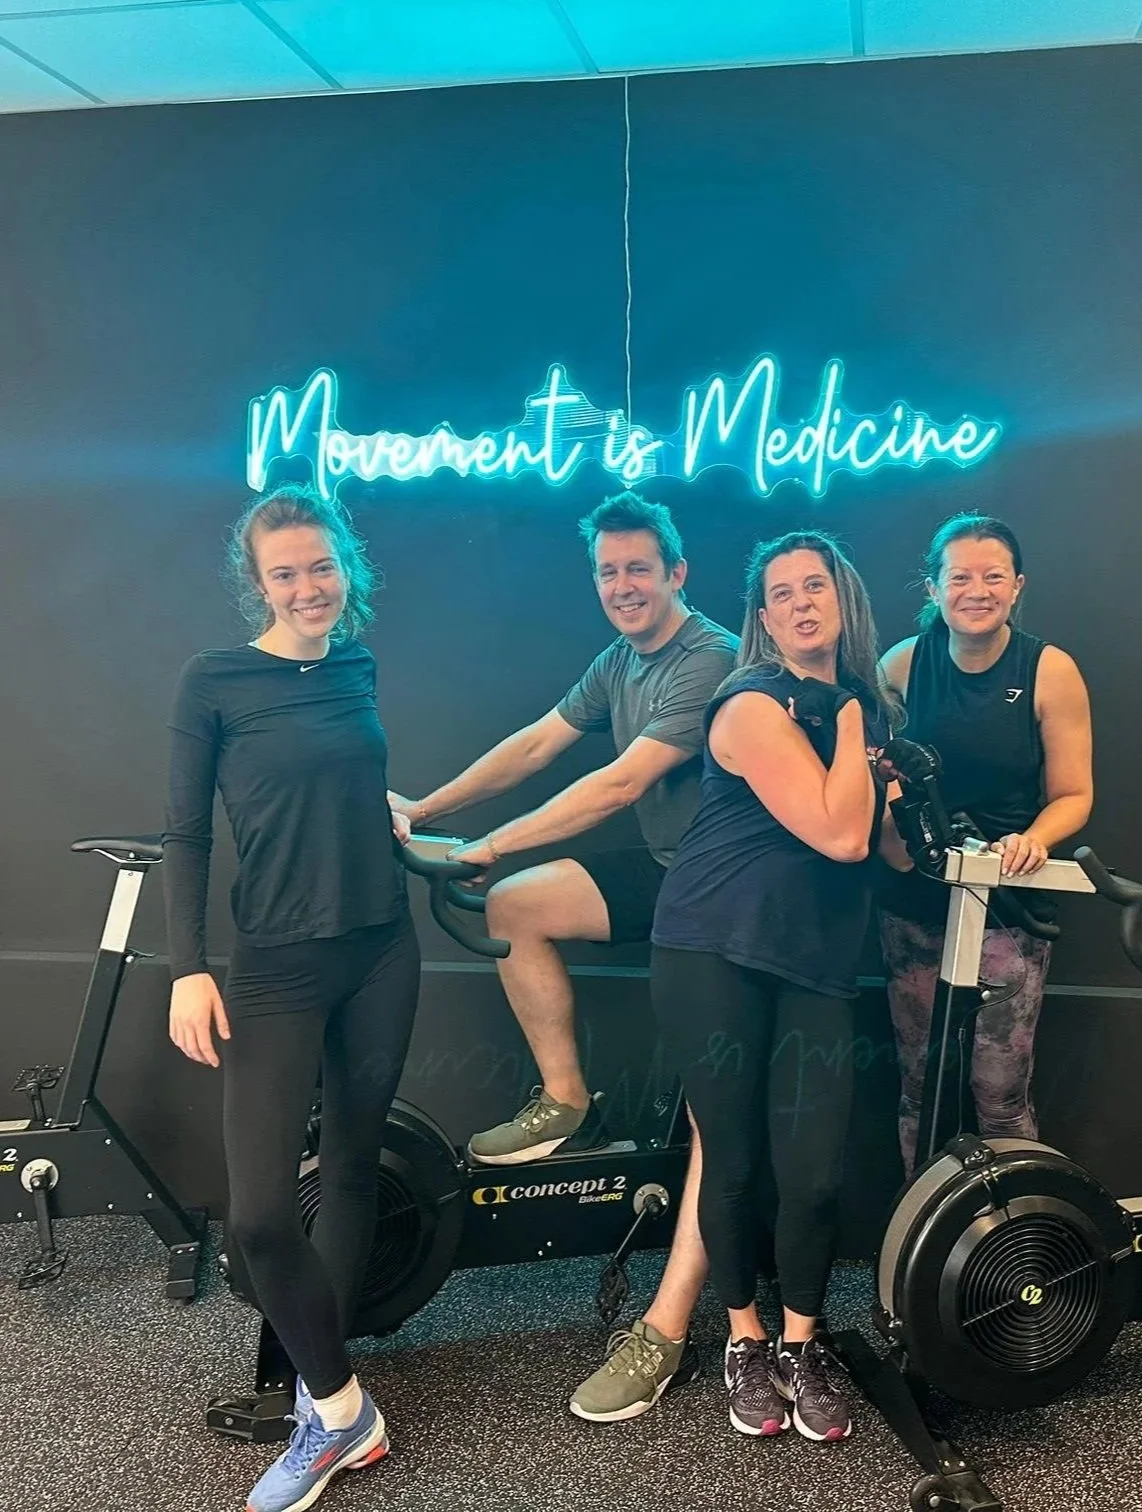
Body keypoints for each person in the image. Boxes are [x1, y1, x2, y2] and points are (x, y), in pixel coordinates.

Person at [387, 489, 737, 1422]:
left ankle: (666, 1329)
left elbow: (620, 782)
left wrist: (485, 844)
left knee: (715, 1120)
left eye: (639, 569)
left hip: (730, 893)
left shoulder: (710, 657)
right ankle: (567, 1100)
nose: (623, 585)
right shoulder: (619, 659)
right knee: (517, 905)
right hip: (667, 868)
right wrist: (426, 810)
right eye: (608, 571)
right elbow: (540, 744)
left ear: (677, 574)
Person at [163, 486, 418, 1512]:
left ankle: (331, 1395)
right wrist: (187, 968)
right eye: (285, 573)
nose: (308, 586)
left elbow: (333, 777)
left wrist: (381, 806)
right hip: (275, 966)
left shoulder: (355, 663)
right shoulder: (214, 680)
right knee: (262, 1215)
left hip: (380, 951)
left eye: (322, 567)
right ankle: (345, 1406)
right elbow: (187, 833)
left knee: (353, 1168)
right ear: (256, 583)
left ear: (345, 567)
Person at [650, 530, 904, 1441]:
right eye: (783, 593)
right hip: (712, 950)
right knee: (737, 1159)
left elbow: (881, 846)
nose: (802, 603)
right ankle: (744, 1338)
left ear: (843, 600)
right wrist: (852, 728)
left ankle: (803, 1340)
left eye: (817, 587)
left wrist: (902, 787)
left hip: (818, 963)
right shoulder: (750, 701)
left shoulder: (864, 711)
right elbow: (837, 835)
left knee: (815, 1175)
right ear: (763, 617)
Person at [878, 512, 1093, 1174]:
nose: (977, 590)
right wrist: (898, 835)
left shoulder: (1049, 670)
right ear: (934, 587)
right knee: (922, 1086)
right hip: (917, 904)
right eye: (960, 576)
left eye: (993, 576)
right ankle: (919, 1245)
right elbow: (878, 775)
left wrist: (1031, 840)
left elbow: (1074, 795)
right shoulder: (903, 666)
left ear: (1017, 585)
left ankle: (1016, 1249)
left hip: (1009, 907)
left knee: (998, 1095)